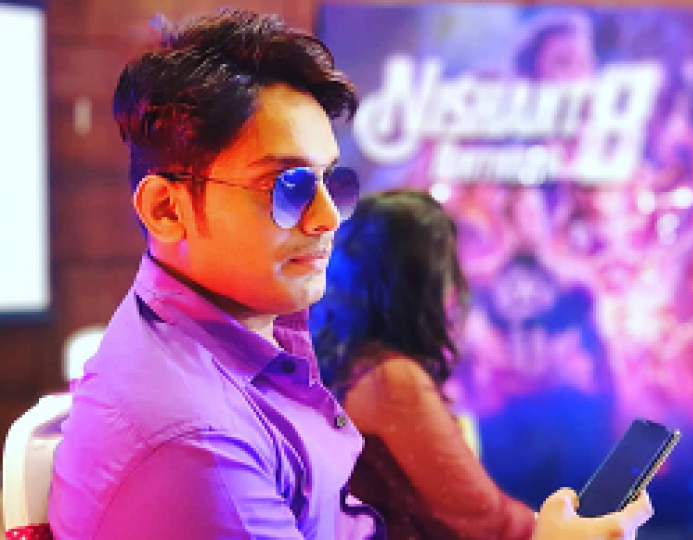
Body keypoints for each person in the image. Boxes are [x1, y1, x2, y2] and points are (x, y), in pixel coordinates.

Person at [48, 8, 652, 540]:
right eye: (287, 187)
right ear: (166, 209)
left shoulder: (256, 340)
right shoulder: (193, 446)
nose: (328, 217)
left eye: (331, 180)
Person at [311, 190, 651, 540]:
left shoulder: (357, 362)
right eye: (449, 266)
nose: (456, 287)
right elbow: (483, 516)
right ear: (421, 281)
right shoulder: (391, 378)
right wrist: (561, 529)